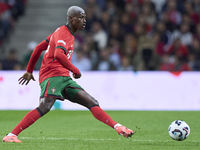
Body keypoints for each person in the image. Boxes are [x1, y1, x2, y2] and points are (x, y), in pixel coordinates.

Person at [2, 6, 133, 143]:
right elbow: (58, 54)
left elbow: (38, 48)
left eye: (84, 17)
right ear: (71, 18)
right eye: (81, 17)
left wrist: (29, 71)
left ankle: (118, 127)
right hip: (52, 75)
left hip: (63, 77)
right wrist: (74, 69)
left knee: (92, 102)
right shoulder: (64, 33)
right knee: (45, 106)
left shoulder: (61, 32)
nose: (84, 20)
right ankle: (11, 135)